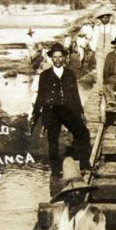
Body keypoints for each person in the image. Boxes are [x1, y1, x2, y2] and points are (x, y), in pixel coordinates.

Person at [31, 43, 92, 174]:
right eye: (55, 57)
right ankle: (55, 169)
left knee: (83, 133)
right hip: (52, 111)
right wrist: (35, 114)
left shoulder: (70, 74)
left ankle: (84, 164)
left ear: (64, 58)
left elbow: (75, 95)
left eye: (60, 57)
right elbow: (41, 96)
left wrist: (80, 112)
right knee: (53, 140)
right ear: (51, 58)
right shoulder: (45, 75)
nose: (58, 60)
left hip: (67, 110)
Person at [90, 8, 116, 91]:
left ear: (109, 18)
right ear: (100, 18)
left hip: (110, 53)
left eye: (107, 17)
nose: (105, 19)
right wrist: (94, 50)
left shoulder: (113, 28)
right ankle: (101, 89)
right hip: (99, 53)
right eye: (103, 17)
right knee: (100, 71)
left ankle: (111, 89)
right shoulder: (97, 28)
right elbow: (94, 40)